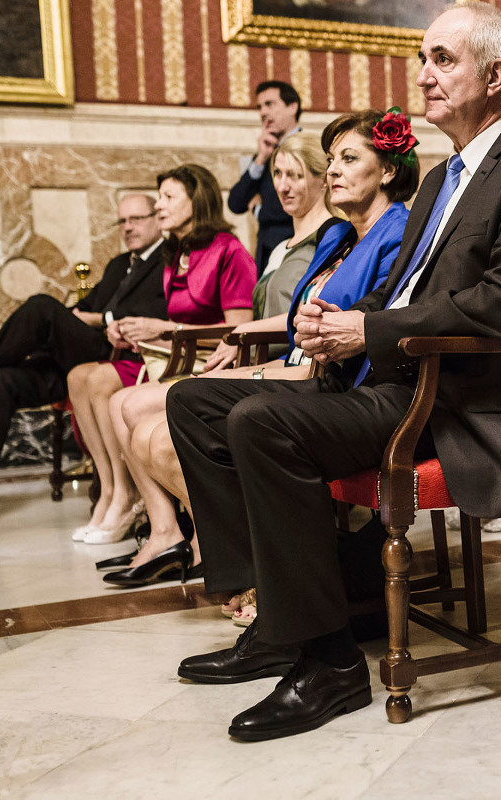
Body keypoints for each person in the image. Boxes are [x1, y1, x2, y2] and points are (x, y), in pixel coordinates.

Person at [165, 1, 501, 741]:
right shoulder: (438, 181)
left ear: (496, 73)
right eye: (423, 58)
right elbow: (406, 288)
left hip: (458, 400)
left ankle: (328, 663)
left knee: (259, 421)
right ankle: (278, 619)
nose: (423, 75)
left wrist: (374, 330)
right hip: (392, 378)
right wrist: (332, 330)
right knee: (194, 402)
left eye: (442, 60)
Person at [103, 111, 415, 591]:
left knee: (200, 410)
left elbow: (376, 319)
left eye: (347, 159)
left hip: (343, 379)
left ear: (389, 170)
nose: (332, 170)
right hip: (300, 360)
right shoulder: (336, 236)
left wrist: (317, 330)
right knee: (183, 399)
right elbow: (295, 319)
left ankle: (262, 578)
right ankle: (232, 566)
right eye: (330, 160)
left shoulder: (400, 229)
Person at [0, 196, 169, 539]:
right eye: (122, 221)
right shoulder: (118, 265)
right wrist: (83, 319)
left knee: (41, 306)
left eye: (137, 219)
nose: (128, 227)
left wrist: (99, 319)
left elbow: (146, 319)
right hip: (82, 361)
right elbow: (79, 310)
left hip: (122, 357)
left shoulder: (168, 260)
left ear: (157, 220)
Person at [65, 164, 256, 549]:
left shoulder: (228, 250)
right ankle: (160, 524)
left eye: (169, 198)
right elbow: (176, 322)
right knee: (114, 396)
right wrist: (137, 330)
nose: (161, 205)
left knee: (121, 398)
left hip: (214, 364)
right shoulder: (178, 252)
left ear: (196, 200)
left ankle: (195, 528)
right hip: (176, 358)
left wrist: (164, 330)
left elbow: (239, 333)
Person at [253, 132, 339, 325]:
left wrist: (246, 330)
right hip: (258, 352)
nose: (282, 187)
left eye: (294, 175)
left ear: (324, 180)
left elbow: (321, 314)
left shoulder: (335, 235)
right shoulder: (280, 247)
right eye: (277, 173)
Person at [228, 80, 303, 271]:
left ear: (292, 107)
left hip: (295, 250)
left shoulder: (306, 149)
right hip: (265, 253)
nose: (263, 112)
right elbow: (235, 203)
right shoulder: (265, 154)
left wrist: (257, 210)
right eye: (260, 107)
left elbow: (292, 207)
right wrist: (261, 158)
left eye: (270, 104)